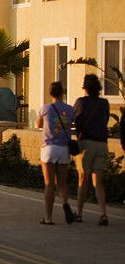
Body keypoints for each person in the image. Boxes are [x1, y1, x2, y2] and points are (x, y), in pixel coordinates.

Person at [73, 73, 110, 226]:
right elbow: (106, 119)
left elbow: (74, 119)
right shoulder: (104, 103)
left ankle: (80, 213)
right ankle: (103, 213)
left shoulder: (81, 102)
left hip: (86, 144)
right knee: (98, 182)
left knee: (83, 179)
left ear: (85, 88)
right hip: (101, 144)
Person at [36, 81, 76, 225]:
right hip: (64, 148)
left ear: (50, 93)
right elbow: (73, 123)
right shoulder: (70, 109)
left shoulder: (46, 108)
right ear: (62, 93)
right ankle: (65, 203)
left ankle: (48, 217)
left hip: (49, 148)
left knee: (49, 184)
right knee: (62, 183)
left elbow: (39, 124)